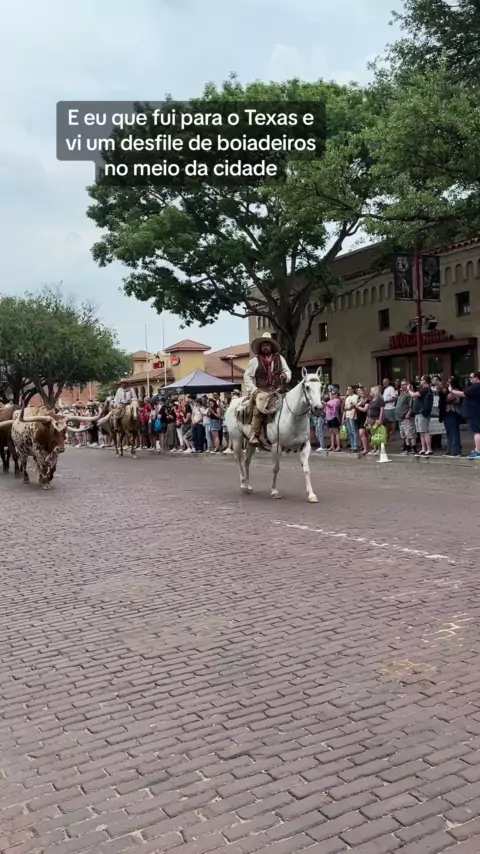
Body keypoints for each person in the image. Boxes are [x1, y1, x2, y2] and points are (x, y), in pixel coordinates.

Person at [243, 332, 291, 446]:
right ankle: (254, 435)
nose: (265, 347)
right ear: (260, 347)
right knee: (259, 408)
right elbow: (247, 376)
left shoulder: (280, 358)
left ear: (271, 346)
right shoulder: (255, 361)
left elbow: (288, 371)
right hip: (262, 391)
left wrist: (286, 375)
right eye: (263, 345)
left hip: (278, 389)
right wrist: (254, 390)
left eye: (267, 345)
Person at [448, 371, 480, 459]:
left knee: (476, 432)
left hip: (473, 412)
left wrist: (451, 390)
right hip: (474, 412)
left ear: (476, 377)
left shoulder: (476, 386)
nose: (469, 379)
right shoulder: (475, 387)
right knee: (476, 431)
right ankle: (477, 449)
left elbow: (463, 394)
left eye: (471, 377)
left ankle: (478, 451)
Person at [409, 375, 433, 456]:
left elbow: (413, 395)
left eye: (421, 380)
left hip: (423, 413)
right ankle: (423, 448)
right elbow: (415, 397)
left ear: (425, 381)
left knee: (425, 431)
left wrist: (409, 390)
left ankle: (429, 449)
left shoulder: (425, 389)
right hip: (418, 413)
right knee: (421, 432)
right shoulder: (423, 389)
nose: (420, 381)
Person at [441, 376, 463, 458]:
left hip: (453, 412)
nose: (447, 383)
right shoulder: (446, 390)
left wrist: (447, 393)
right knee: (448, 432)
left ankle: (456, 451)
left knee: (454, 431)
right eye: (447, 381)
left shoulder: (456, 390)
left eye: (449, 382)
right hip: (446, 412)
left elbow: (448, 399)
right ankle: (449, 450)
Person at [394, 379, 415, 455]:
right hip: (400, 418)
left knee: (410, 433)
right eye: (401, 385)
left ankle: (413, 448)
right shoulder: (402, 394)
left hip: (406, 417)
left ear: (408, 385)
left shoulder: (409, 394)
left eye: (404, 385)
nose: (402, 386)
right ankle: (407, 448)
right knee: (405, 434)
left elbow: (412, 405)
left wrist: (408, 413)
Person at [343, 385, 359, 452]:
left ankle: (356, 446)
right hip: (347, 415)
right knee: (350, 432)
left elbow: (352, 406)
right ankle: (352, 446)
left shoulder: (356, 397)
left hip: (353, 415)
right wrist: (343, 417)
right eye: (347, 389)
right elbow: (345, 407)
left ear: (353, 390)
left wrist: (349, 407)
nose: (348, 390)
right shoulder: (347, 398)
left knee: (354, 431)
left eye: (350, 389)